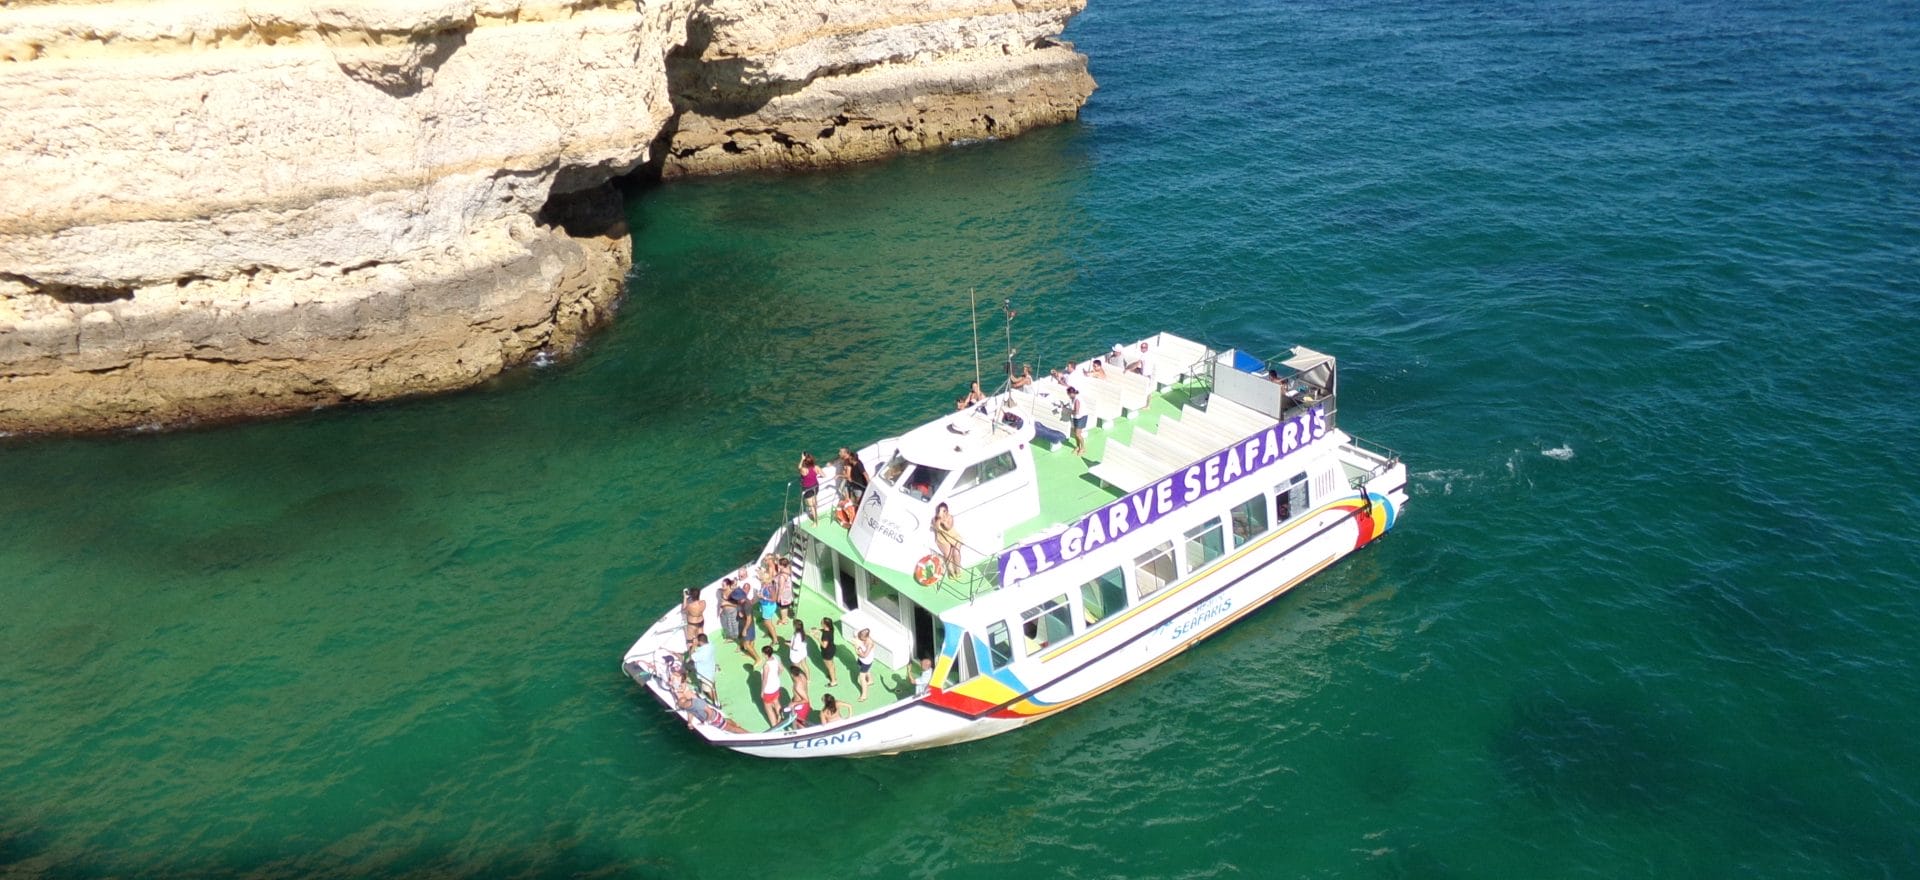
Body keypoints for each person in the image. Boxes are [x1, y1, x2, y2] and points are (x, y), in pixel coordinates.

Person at [725, 577, 755, 657]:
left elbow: (749, 619)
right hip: (743, 622)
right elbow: (729, 598)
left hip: (748, 624)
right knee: (746, 638)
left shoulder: (747, 605)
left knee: (748, 641)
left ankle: (756, 657)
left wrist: (745, 629)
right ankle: (749, 652)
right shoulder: (741, 602)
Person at [932, 502, 963, 574]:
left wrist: (944, 522)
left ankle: (957, 570)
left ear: (947, 511)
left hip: (953, 537)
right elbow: (937, 528)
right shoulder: (935, 519)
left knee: (956, 552)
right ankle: (951, 572)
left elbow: (948, 527)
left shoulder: (950, 517)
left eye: (943, 511)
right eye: (939, 511)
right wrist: (938, 521)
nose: (941, 513)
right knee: (947, 554)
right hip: (942, 538)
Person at [689, 633, 719, 704]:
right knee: (712, 686)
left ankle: (715, 703)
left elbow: (691, 657)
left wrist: (693, 645)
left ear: (700, 642)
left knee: (708, 689)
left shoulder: (702, 653)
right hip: (711, 670)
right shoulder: (711, 645)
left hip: (705, 674)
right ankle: (716, 700)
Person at [759, 645, 784, 728]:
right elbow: (781, 669)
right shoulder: (776, 658)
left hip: (768, 689)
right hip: (776, 684)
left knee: (768, 706)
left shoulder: (766, 665)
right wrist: (777, 675)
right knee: (776, 701)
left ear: (765, 654)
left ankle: (774, 725)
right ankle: (780, 717)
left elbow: (764, 680)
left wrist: (762, 691)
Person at [817, 617, 840, 687]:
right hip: (832, 649)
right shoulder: (831, 629)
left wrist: (817, 638)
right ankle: (833, 676)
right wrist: (819, 630)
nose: (821, 623)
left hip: (827, 652)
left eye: (822, 622)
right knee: (832, 664)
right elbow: (824, 630)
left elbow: (824, 645)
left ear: (825, 624)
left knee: (829, 666)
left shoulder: (825, 635)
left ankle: (833, 681)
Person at [854, 628, 877, 702]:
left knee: (861, 678)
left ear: (866, 636)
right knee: (863, 668)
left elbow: (864, 655)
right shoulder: (863, 637)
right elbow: (856, 636)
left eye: (861, 638)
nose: (860, 638)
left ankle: (864, 695)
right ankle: (870, 680)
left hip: (866, 661)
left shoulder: (870, 643)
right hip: (862, 660)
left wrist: (857, 648)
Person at [798, 452, 821, 522]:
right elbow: (823, 475)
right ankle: (816, 516)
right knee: (814, 503)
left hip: (807, 489)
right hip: (815, 486)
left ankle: (815, 521)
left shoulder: (804, 470)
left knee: (811, 506)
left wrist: (802, 459)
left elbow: (799, 467)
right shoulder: (816, 467)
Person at [773, 557, 796, 624]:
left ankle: (784, 620)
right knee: (786, 607)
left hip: (783, 595)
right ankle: (785, 617)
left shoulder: (782, 577)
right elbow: (786, 564)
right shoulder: (788, 570)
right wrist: (779, 559)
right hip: (788, 593)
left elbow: (781, 587)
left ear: (782, 566)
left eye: (779, 564)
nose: (777, 565)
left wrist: (778, 597)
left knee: (783, 608)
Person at [1068, 386, 1087, 456]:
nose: (1069, 395)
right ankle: (1078, 446)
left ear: (1072, 393)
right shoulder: (1072, 399)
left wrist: (1069, 412)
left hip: (1081, 417)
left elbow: (1076, 411)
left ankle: (1083, 448)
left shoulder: (1077, 400)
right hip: (1076, 417)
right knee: (1075, 434)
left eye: (1069, 394)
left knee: (1078, 434)